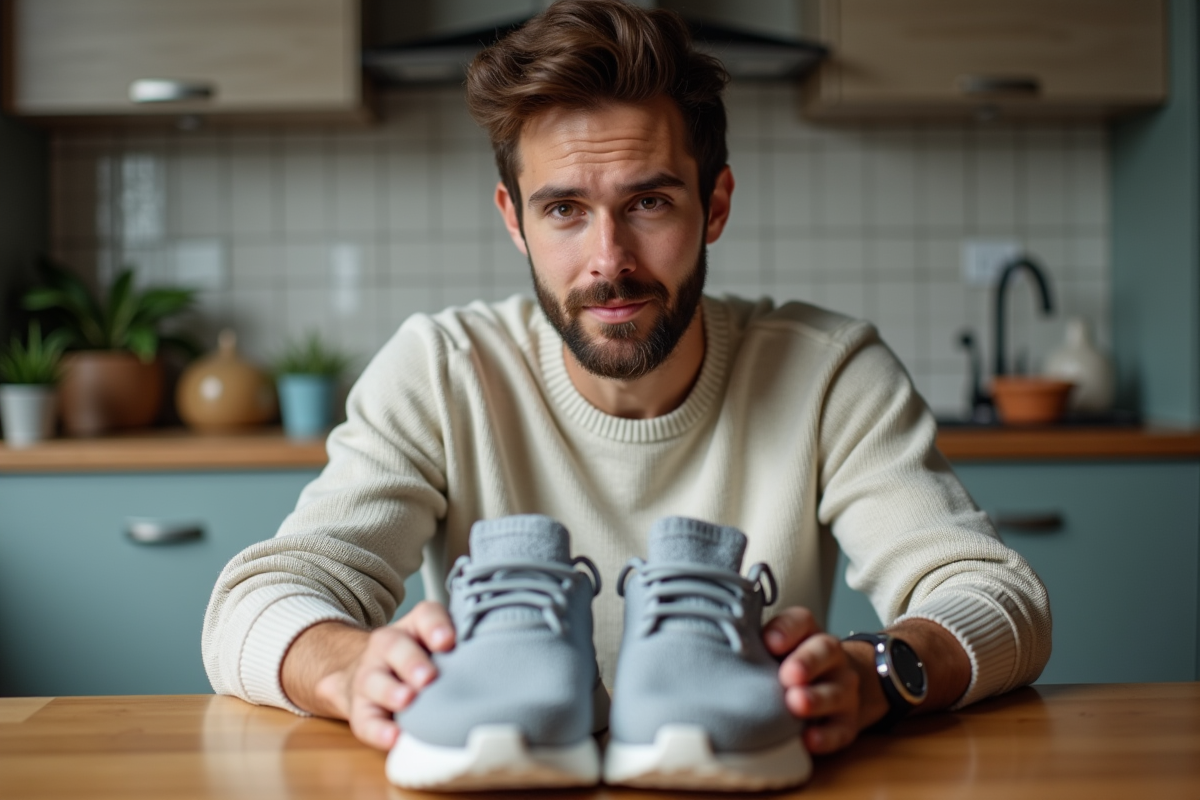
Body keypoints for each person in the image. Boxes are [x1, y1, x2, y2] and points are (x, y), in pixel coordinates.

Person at [202, 0, 1050, 759]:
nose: (609, 261)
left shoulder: (829, 373)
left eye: (649, 203)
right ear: (515, 220)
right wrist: (349, 667)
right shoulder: (440, 370)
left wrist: (878, 670)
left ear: (714, 205)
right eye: (564, 209)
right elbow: (254, 604)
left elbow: (996, 595)